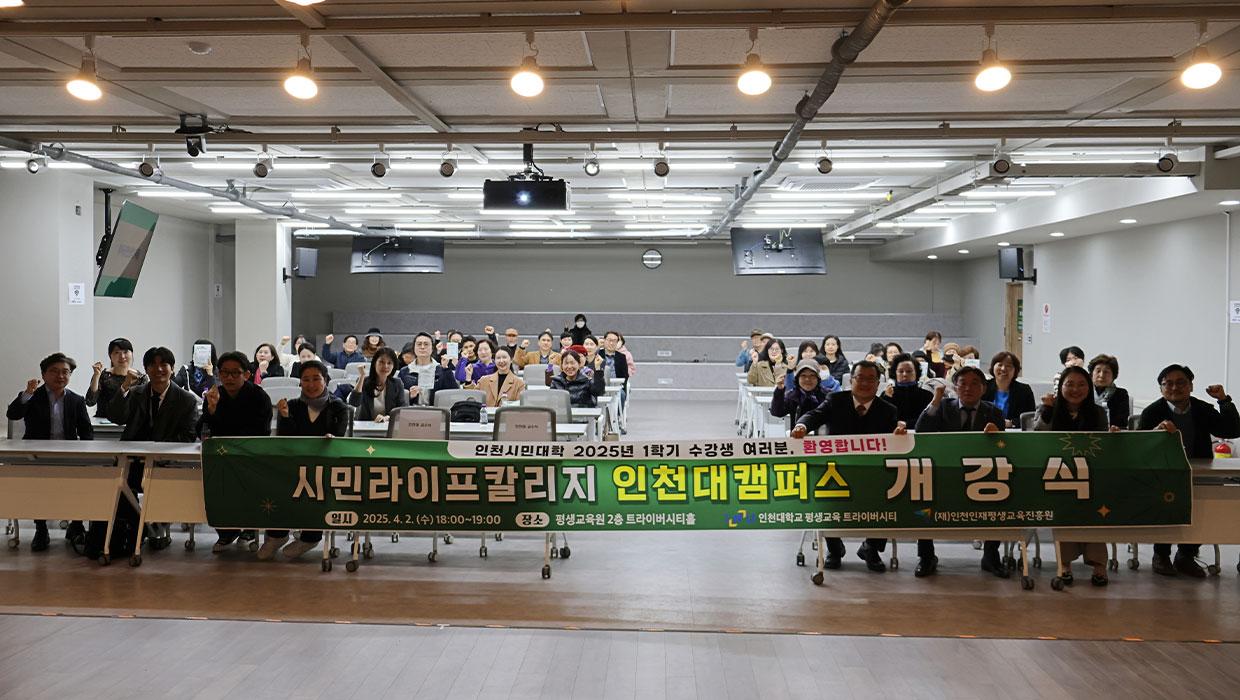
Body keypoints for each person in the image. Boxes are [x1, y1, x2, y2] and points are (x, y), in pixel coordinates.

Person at [790, 361, 908, 573]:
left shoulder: (888, 410)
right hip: (836, 469)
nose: (865, 383)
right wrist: (802, 425)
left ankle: (871, 549)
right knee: (824, 494)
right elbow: (814, 415)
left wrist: (899, 433)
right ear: (851, 380)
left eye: (870, 379)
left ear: (878, 383)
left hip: (873, 472)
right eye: (860, 378)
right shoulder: (835, 400)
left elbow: (896, 438)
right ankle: (834, 550)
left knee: (890, 493)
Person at [1139, 364, 1240, 577]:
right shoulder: (1151, 412)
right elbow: (1139, 446)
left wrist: (1224, 400)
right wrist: (1155, 434)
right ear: (1161, 388)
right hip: (1164, 473)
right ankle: (1161, 555)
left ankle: (1186, 555)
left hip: (1201, 471)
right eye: (1168, 383)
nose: (1175, 388)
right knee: (1164, 508)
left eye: (1181, 382)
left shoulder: (1202, 409)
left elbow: (1232, 430)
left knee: (1203, 508)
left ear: (1191, 386)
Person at [911, 367, 1006, 578]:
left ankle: (991, 556)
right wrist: (936, 400)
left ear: (983, 389)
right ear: (955, 387)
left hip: (982, 474)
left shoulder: (994, 412)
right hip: (945, 473)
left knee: (1000, 497)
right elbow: (921, 430)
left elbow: (1002, 447)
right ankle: (926, 557)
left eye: (974, 384)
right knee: (923, 498)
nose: (968, 388)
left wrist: (997, 435)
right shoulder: (944, 407)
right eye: (963, 383)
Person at [106, 347, 199, 558]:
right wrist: (125, 386)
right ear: (146, 369)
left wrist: (156, 451)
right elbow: (116, 416)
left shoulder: (186, 400)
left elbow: (188, 436)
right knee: (118, 485)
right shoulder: (136, 393)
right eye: (152, 365)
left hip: (167, 463)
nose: (158, 369)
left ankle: (147, 531)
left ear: (172, 368)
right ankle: (137, 532)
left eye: (163, 364)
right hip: (133, 462)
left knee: (160, 487)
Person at [1033, 365, 1114, 586]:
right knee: (1064, 516)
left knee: (1094, 517)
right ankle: (1065, 565)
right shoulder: (1048, 408)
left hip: (1090, 475)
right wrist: (1047, 409)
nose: (1075, 390)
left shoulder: (1098, 412)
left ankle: (1099, 565)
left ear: (1089, 388)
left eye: (1081, 385)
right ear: (1060, 387)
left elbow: (1103, 445)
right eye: (1069, 384)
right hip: (1058, 473)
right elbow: (1036, 436)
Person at [6, 353, 93, 551]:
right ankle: (41, 529)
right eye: (54, 371)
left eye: (65, 372)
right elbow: (13, 414)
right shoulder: (32, 397)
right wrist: (27, 393)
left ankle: (76, 525)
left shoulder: (76, 400)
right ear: (43, 375)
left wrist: (87, 454)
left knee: (82, 484)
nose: (60, 376)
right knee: (38, 489)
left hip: (69, 456)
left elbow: (86, 431)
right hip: (37, 456)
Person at [266, 360, 349, 560]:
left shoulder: (338, 407)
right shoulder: (292, 405)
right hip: (294, 464)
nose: (311, 384)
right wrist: (285, 416)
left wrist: (331, 439)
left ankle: (310, 538)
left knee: (317, 488)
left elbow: (339, 436)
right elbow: (285, 439)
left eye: (316, 379)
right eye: (306, 379)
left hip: (325, 466)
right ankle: (276, 536)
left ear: (325, 380)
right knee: (276, 485)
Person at [199, 351, 272, 553]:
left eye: (235, 373)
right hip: (220, 457)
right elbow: (202, 430)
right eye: (224, 373)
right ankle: (226, 532)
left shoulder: (259, 397)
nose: (229, 378)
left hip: (250, 456)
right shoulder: (214, 395)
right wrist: (211, 410)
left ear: (246, 374)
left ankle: (248, 529)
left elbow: (261, 431)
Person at [84, 337, 146, 419]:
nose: (122, 356)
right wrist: (96, 376)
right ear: (110, 356)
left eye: (125, 352)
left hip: (131, 423)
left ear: (132, 354)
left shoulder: (141, 378)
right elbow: (90, 401)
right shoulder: (103, 375)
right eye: (117, 352)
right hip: (104, 422)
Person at [397, 332, 459, 406]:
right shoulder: (405, 371)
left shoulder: (441, 370)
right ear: (414, 348)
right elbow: (397, 399)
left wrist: (445, 369)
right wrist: (409, 396)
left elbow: (453, 394)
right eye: (419, 344)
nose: (422, 347)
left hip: (437, 410)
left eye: (426, 344)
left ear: (432, 348)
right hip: (411, 409)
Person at [347, 347, 408, 422]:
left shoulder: (397, 383)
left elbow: (402, 410)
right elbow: (353, 403)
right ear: (374, 363)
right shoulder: (364, 381)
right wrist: (362, 376)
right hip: (366, 425)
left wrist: (388, 418)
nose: (385, 366)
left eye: (389, 363)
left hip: (388, 425)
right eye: (381, 362)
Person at [982, 351, 1036, 427]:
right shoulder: (983, 387)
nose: (1003, 369)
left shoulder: (1024, 391)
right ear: (993, 367)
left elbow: (1030, 418)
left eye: (1008, 366)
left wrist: (1012, 423)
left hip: (1013, 431)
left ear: (1015, 370)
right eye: (1000, 365)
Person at [883, 353, 933, 426]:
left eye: (909, 371)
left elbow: (929, 420)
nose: (905, 374)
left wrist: (907, 424)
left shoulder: (927, 395)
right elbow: (882, 419)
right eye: (901, 371)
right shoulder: (887, 394)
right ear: (895, 373)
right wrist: (887, 398)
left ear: (916, 372)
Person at [1088, 354, 1130, 429]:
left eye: (1106, 372)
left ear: (1113, 376)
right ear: (1091, 374)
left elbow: (1122, 422)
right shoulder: (1084, 392)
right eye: (1098, 371)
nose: (1101, 375)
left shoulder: (1121, 394)